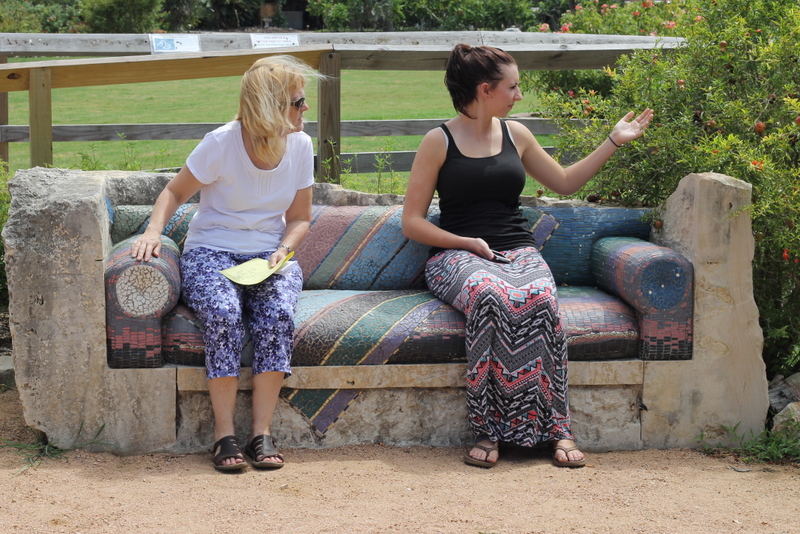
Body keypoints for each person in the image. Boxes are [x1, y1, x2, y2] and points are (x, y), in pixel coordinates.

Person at [401, 44, 653, 468]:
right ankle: (488, 429)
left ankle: (556, 427)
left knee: (540, 299)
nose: (519, 95)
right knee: (490, 297)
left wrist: (613, 140)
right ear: (485, 90)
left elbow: (565, 182)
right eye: (512, 87)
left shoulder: (517, 134)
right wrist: (465, 242)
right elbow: (411, 222)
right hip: (456, 255)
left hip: (517, 250)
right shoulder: (438, 141)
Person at [130, 55, 317, 472]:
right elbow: (174, 192)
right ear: (270, 106)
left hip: (269, 256)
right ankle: (223, 434)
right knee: (223, 313)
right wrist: (153, 232)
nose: (306, 108)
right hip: (211, 251)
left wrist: (284, 250)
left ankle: (261, 433)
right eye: (298, 101)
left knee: (278, 315)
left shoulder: (302, 145)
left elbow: (300, 217)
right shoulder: (221, 143)